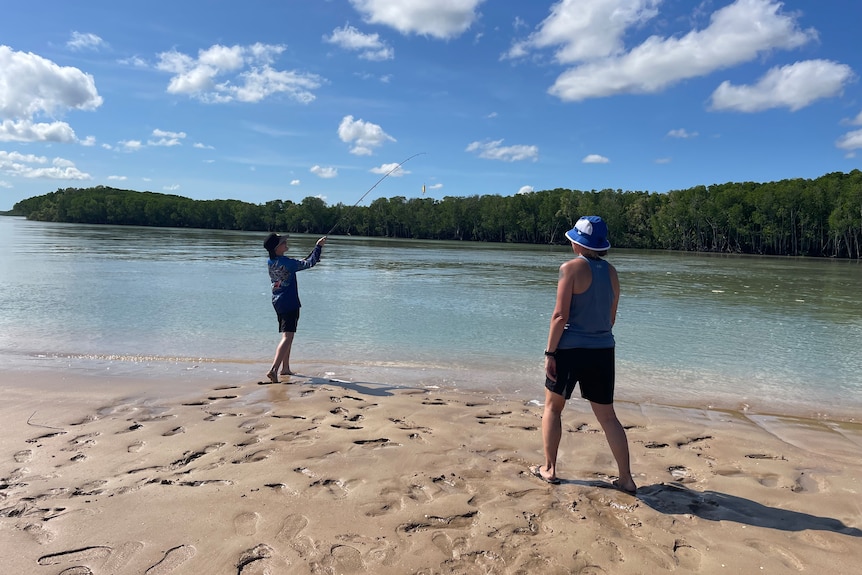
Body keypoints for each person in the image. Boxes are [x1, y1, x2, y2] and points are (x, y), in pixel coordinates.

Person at [531, 215, 637, 494]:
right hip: (603, 350)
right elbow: (611, 317)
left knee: (553, 408)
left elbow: (559, 316)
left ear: (577, 244)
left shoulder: (570, 269)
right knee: (608, 417)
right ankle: (626, 478)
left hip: (569, 349)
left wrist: (549, 352)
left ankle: (550, 469)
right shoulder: (612, 272)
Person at [263, 232, 326, 383]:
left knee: (287, 334)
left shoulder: (271, 261)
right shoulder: (289, 263)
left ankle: (285, 368)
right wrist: (318, 246)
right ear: (277, 248)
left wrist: (310, 255)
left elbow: (300, 263)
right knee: (288, 336)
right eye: (283, 242)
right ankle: (274, 369)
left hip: (278, 301)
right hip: (290, 302)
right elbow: (310, 263)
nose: (286, 243)